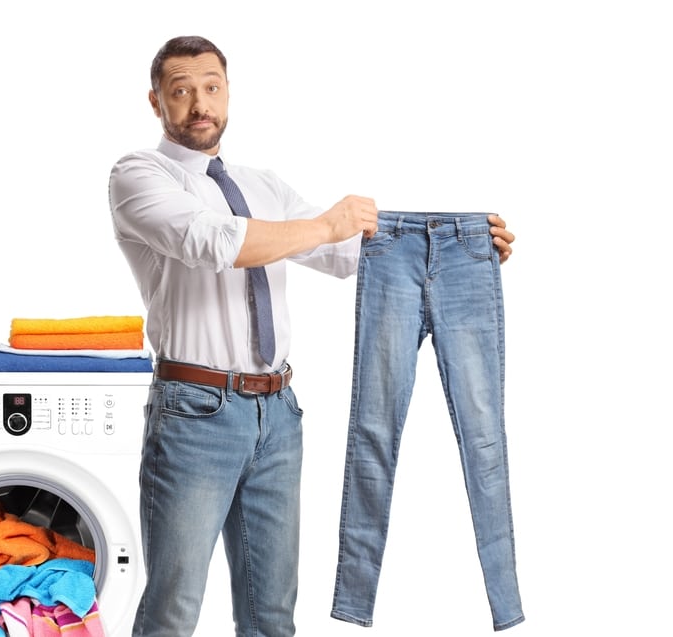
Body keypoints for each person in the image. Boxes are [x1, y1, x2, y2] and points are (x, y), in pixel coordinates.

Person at [107, 35, 515, 637]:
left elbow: (347, 255)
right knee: (174, 608)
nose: (200, 104)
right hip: (195, 414)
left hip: (278, 414)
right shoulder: (139, 175)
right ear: (156, 101)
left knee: (272, 615)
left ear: (228, 94)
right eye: (182, 91)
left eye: (211, 88)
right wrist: (325, 223)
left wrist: (458, 255)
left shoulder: (262, 183)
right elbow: (218, 243)